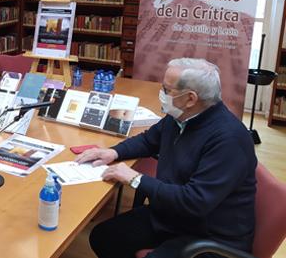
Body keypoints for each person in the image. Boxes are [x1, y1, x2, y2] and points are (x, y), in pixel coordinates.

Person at [77, 58, 256, 258]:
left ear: (190, 99)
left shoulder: (229, 139)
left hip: (209, 236)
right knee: (104, 237)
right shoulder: (181, 117)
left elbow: (194, 202)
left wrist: (136, 179)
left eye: (166, 89)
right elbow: (148, 140)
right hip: (173, 216)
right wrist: (113, 152)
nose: (161, 94)